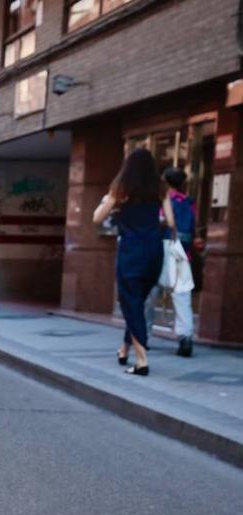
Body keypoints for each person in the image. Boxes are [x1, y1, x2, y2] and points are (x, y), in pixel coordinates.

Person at [93, 148, 175, 376]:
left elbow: (96, 218)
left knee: (131, 302)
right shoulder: (160, 188)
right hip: (153, 250)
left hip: (131, 250)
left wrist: (112, 204)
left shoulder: (121, 188)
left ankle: (142, 361)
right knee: (136, 301)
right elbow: (170, 221)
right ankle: (124, 349)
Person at [158, 167, 197, 357]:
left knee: (149, 293)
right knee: (182, 297)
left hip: (160, 249)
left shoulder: (162, 200)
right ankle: (185, 337)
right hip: (181, 252)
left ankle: (142, 334)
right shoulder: (189, 203)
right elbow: (193, 228)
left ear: (165, 181)